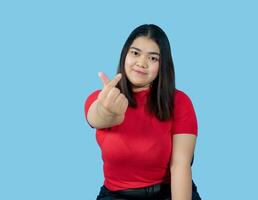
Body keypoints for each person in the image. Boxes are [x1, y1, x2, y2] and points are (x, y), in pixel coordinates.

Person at [84, 24, 202, 200]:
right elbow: (97, 118)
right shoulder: (103, 97)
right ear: (125, 55)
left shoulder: (179, 102)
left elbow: (180, 165)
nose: (142, 63)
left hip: (168, 192)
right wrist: (106, 110)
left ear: (162, 64)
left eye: (153, 58)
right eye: (135, 53)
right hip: (117, 195)